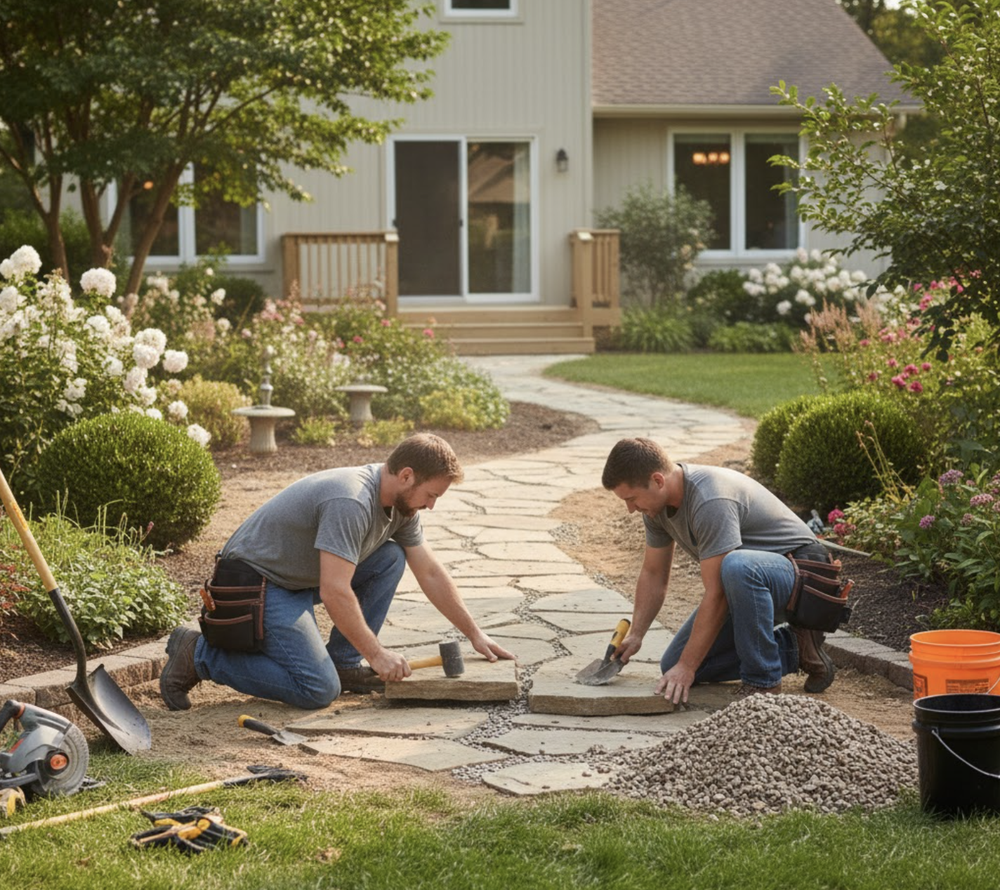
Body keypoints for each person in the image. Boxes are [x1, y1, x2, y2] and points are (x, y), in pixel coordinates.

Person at [160, 433, 514, 711]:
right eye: (431, 495)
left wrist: (474, 634)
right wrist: (376, 654)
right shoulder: (352, 501)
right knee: (316, 689)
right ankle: (199, 654)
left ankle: (344, 664)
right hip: (257, 582)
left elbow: (431, 572)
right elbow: (335, 591)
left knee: (390, 557)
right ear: (406, 475)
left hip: (294, 578)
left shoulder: (400, 506)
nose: (431, 506)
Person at [600, 437, 835, 704]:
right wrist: (637, 634)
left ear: (658, 480)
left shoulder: (709, 498)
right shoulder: (655, 509)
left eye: (631, 499)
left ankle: (763, 682)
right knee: (673, 665)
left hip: (805, 577)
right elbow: (654, 574)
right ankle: (797, 648)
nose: (630, 509)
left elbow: (718, 593)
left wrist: (688, 667)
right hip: (751, 583)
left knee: (735, 567)